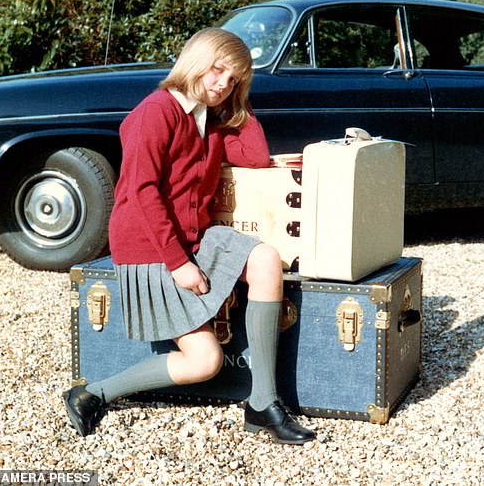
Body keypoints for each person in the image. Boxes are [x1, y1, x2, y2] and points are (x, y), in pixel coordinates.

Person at [62, 28, 315, 445]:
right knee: (205, 361)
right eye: (217, 71)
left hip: (196, 238)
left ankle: (262, 404)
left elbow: (253, 158)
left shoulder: (209, 122)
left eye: (233, 79)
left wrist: (238, 102)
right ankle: (93, 393)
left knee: (267, 260)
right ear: (195, 61)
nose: (222, 84)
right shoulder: (154, 113)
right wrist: (179, 264)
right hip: (150, 250)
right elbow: (141, 192)